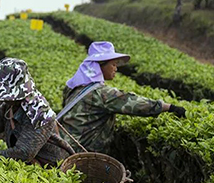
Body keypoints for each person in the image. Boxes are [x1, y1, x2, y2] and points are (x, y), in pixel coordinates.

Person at [58, 41, 186, 153]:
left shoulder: (74, 86)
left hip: (63, 145)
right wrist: (169, 107)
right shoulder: (102, 94)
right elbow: (134, 103)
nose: (116, 69)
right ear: (99, 66)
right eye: (113, 64)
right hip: (80, 152)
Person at [0, 58, 74, 165]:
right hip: (29, 163)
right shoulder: (10, 106)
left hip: (51, 166)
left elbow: (24, 153)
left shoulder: (38, 113)